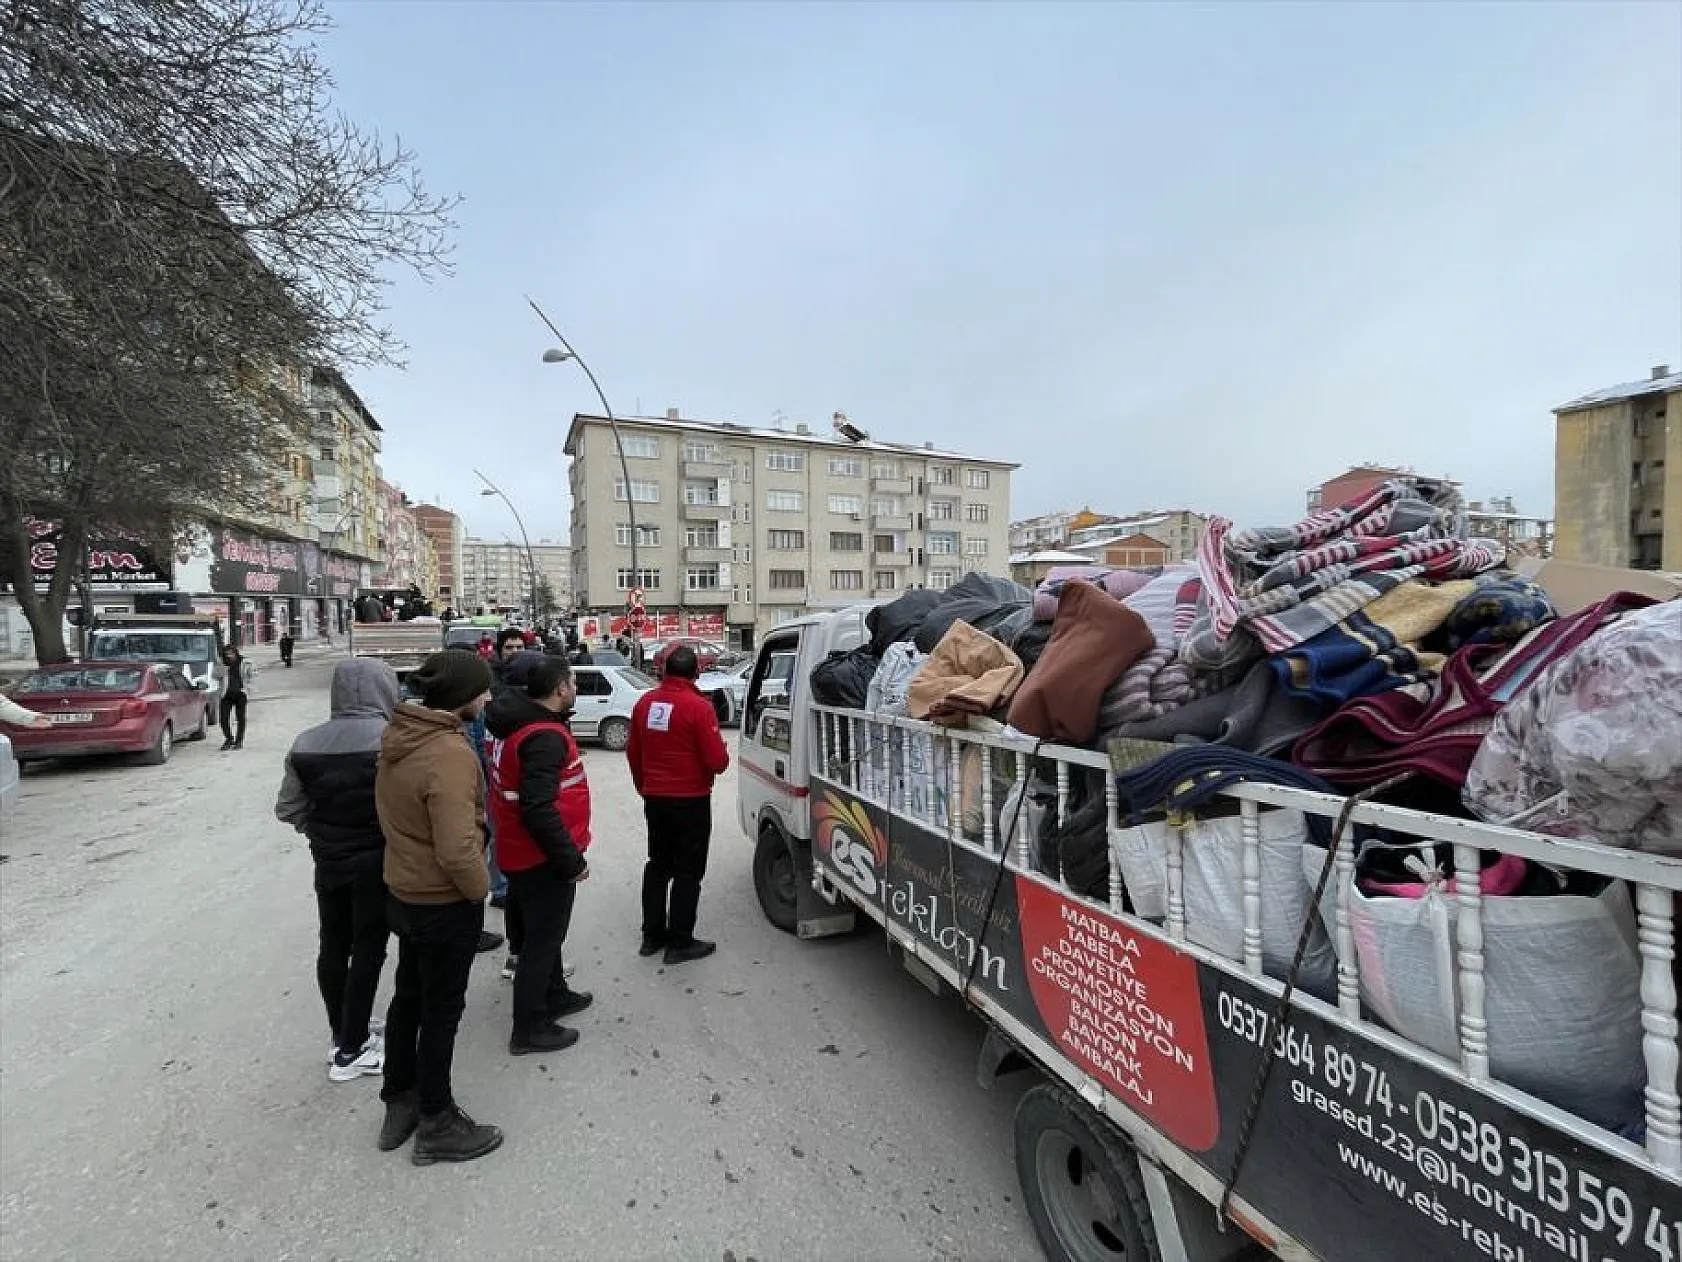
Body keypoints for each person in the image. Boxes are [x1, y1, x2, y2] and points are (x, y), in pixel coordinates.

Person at [373, 649, 503, 1165]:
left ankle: (399, 1101)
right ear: (462, 696)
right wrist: (478, 892)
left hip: (404, 891)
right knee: (442, 1012)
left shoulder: (402, 735)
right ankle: (437, 1121)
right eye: (483, 690)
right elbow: (456, 848)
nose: (488, 697)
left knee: (408, 999)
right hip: (443, 900)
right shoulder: (448, 753)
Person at [275, 657, 399, 1082]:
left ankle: (344, 1030)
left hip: (328, 861)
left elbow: (287, 808)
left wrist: (321, 834)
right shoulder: (391, 740)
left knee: (333, 945)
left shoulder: (305, 742)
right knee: (369, 947)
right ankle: (353, 1050)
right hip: (377, 860)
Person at [485, 652, 593, 1055]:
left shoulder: (528, 727)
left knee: (543, 934)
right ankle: (530, 1027)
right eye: (574, 684)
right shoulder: (543, 737)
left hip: (523, 851)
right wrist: (570, 860)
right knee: (541, 942)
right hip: (541, 857)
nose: (577, 689)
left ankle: (555, 993)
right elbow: (538, 807)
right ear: (560, 689)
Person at [626, 645, 730, 965]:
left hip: (655, 799)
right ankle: (680, 943)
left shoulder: (645, 703)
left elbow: (634, 752)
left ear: (664, 671)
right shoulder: (698, 707)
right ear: (696, 672)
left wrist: (644, 788)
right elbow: (717, 762)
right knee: (688, 872)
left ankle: (652, 936)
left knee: (658, 865)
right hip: (690, 802)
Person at [218, 644, 248, 750]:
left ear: (235, 652)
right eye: (227, 654)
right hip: (226, 695)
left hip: (240, 694)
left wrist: (247, 689)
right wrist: (223, 666)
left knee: (241, 718)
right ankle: (229, 738)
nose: (229, 656)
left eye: (231, 653)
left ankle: (239, 741)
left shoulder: (245, 662)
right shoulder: (222, 663)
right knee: (223, 719)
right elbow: (215, 675)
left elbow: (253, 675)